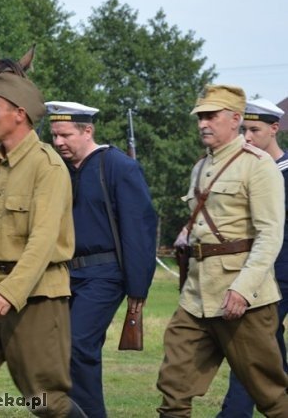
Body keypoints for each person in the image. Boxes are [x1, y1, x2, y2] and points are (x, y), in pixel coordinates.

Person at [0, 73, 86, 418]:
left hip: (35, 294)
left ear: (19, 114)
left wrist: (10, 293)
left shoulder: (47, 167)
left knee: (44, 397)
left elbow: (42, 241)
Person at [156, 85, 288, 417]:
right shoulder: (201, 167)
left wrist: (243, 289)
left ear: (234, 119)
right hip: (197, 296)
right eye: (201, 116)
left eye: (212, 116)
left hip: (244, 300)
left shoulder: (258, 165)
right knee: (173, 385)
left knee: (270, 394)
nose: (203, 123)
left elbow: (270, 234)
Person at [47, 101, 157, 418]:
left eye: (65, 135)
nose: (58, 143)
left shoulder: (119, 167)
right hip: (65, 274)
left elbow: (139, 229)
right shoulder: (60, 170)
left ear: (87, 131)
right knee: (57, 350)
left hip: (105, 274)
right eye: (54, 135)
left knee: (78, 345)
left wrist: (137, 290)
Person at [217, 98, 288, 418]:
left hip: (282, 269)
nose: (246, 137)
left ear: (275, 130)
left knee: (256, 345)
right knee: (264, 344)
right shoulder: (242, 170)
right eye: (243, 129)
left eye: (254, 130)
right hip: (257, 272)